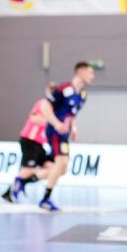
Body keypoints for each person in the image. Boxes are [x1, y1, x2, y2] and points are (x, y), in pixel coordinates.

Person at [40, 62, 94, 211]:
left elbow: (71, 114)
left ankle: (27, 179)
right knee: (61, 162)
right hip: (55, 131)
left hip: (64, 134)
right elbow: (44, 105)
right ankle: (45, 199)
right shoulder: (64, 89)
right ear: (80, 73)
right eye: (90, 73)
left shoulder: (82, 95)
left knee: (62, 168)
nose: (92, 76)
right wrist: (56, 123)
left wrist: (74, 128)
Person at [1, 85, 58, 203]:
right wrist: (53, 123)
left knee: (52, 168)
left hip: (40, 144)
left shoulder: (56, 108)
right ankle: (10, 193)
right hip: (30, 140)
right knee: (28, 168)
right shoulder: (43, 103)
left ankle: (18, 186)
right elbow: (34, 118)